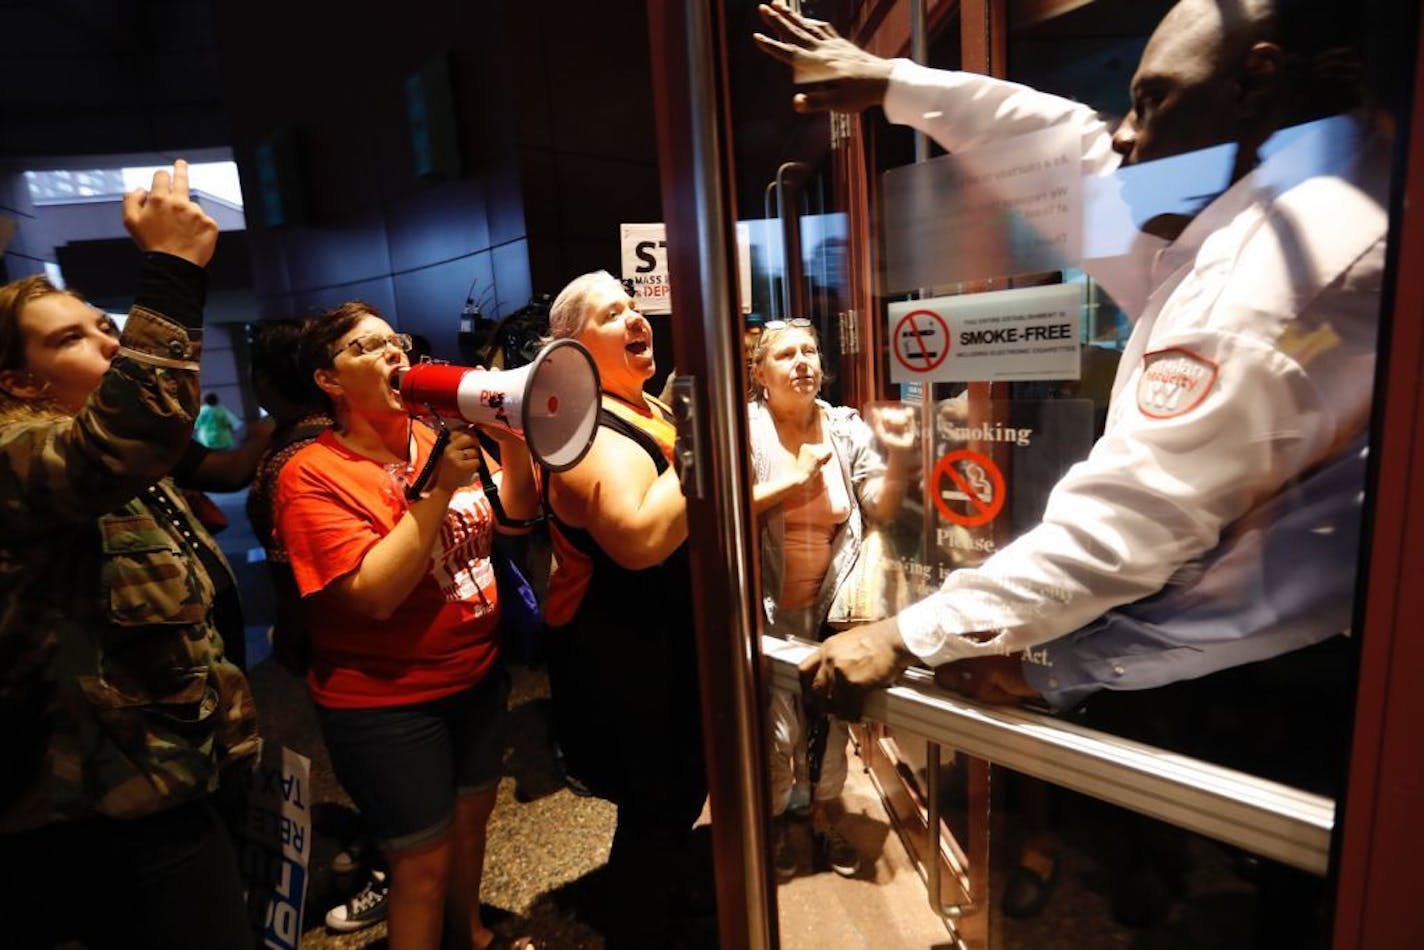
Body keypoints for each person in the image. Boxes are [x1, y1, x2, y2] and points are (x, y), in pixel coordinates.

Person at [755, 0, 1386, 719]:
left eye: (1152, 102)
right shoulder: (1283, 194)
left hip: (1268, 695)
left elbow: (1126, 526)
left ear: (1254, 86)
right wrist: (896, 83)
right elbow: (1071, 153)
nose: (1125, 133)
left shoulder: (1277, 273)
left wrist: (908, 635)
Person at [0, 161, 259, 949]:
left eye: (103, 324)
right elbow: (128, 430)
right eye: (68, 339)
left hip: (181, 778)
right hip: (105, 817)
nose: (107, 345)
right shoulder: (16, 456)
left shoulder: (125, 470)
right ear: (15, 381)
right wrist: (173, 270)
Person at [275, 302, 537, 950]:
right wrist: (440, 490)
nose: (392, 354)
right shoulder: (311, 475)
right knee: (419, 866)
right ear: (328, 381)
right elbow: (374, 597)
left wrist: (511, 440)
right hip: (387, 703)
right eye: (366, 348)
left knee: (473, 824)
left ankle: (471, 934)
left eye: (395, 343)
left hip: (475, 677)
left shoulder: (432, 432)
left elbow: (515, 518)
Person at [541, 270, 707, 948]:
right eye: (614, 313)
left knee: (675, 789)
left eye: (635, 306)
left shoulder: (645, 406)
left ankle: (655, 899)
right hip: (625, 648)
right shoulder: (586, 429)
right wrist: (708, 436)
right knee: (656, 798)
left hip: (663, 633)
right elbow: (638, 540)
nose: (637, 318)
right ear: (572, 348)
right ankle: (639, 927)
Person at [747, 318, 913, 879]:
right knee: (774, 729)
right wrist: (793, 481)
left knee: (828, 722)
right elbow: (718, 508)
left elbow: (878, 506)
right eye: (787, 354)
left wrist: (902, 463)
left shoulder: (843, 427)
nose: (802, 362)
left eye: (810, 351)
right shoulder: (744, 429)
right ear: (760, 372)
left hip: (832, 609)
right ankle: (768, 827)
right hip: (765, 612)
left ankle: (819, 816)